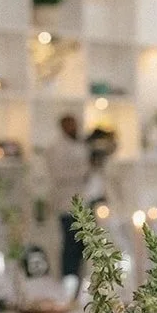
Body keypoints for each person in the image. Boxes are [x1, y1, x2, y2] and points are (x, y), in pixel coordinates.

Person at [47, 114, 90, 277]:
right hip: (66, 203)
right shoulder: (56, 148)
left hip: (83, 202)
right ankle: (68, 279)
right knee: (70, 244)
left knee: (83, 245)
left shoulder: (80, 144)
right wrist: (82, 172)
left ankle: (79, 280)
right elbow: (57, 174)